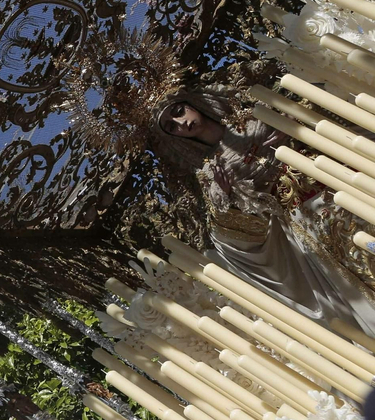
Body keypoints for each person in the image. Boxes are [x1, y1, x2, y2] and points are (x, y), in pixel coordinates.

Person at [152, 92, 375, 336]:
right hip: (308, 221)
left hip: (336, 183)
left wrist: (292, 127)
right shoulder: (210, 173)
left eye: (178, 112)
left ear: (192, 103)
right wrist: (229, 195)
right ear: (174, 137)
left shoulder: (256, 118)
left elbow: (315, 116)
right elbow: (235, 224)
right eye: (171, 127)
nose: (182, 123)